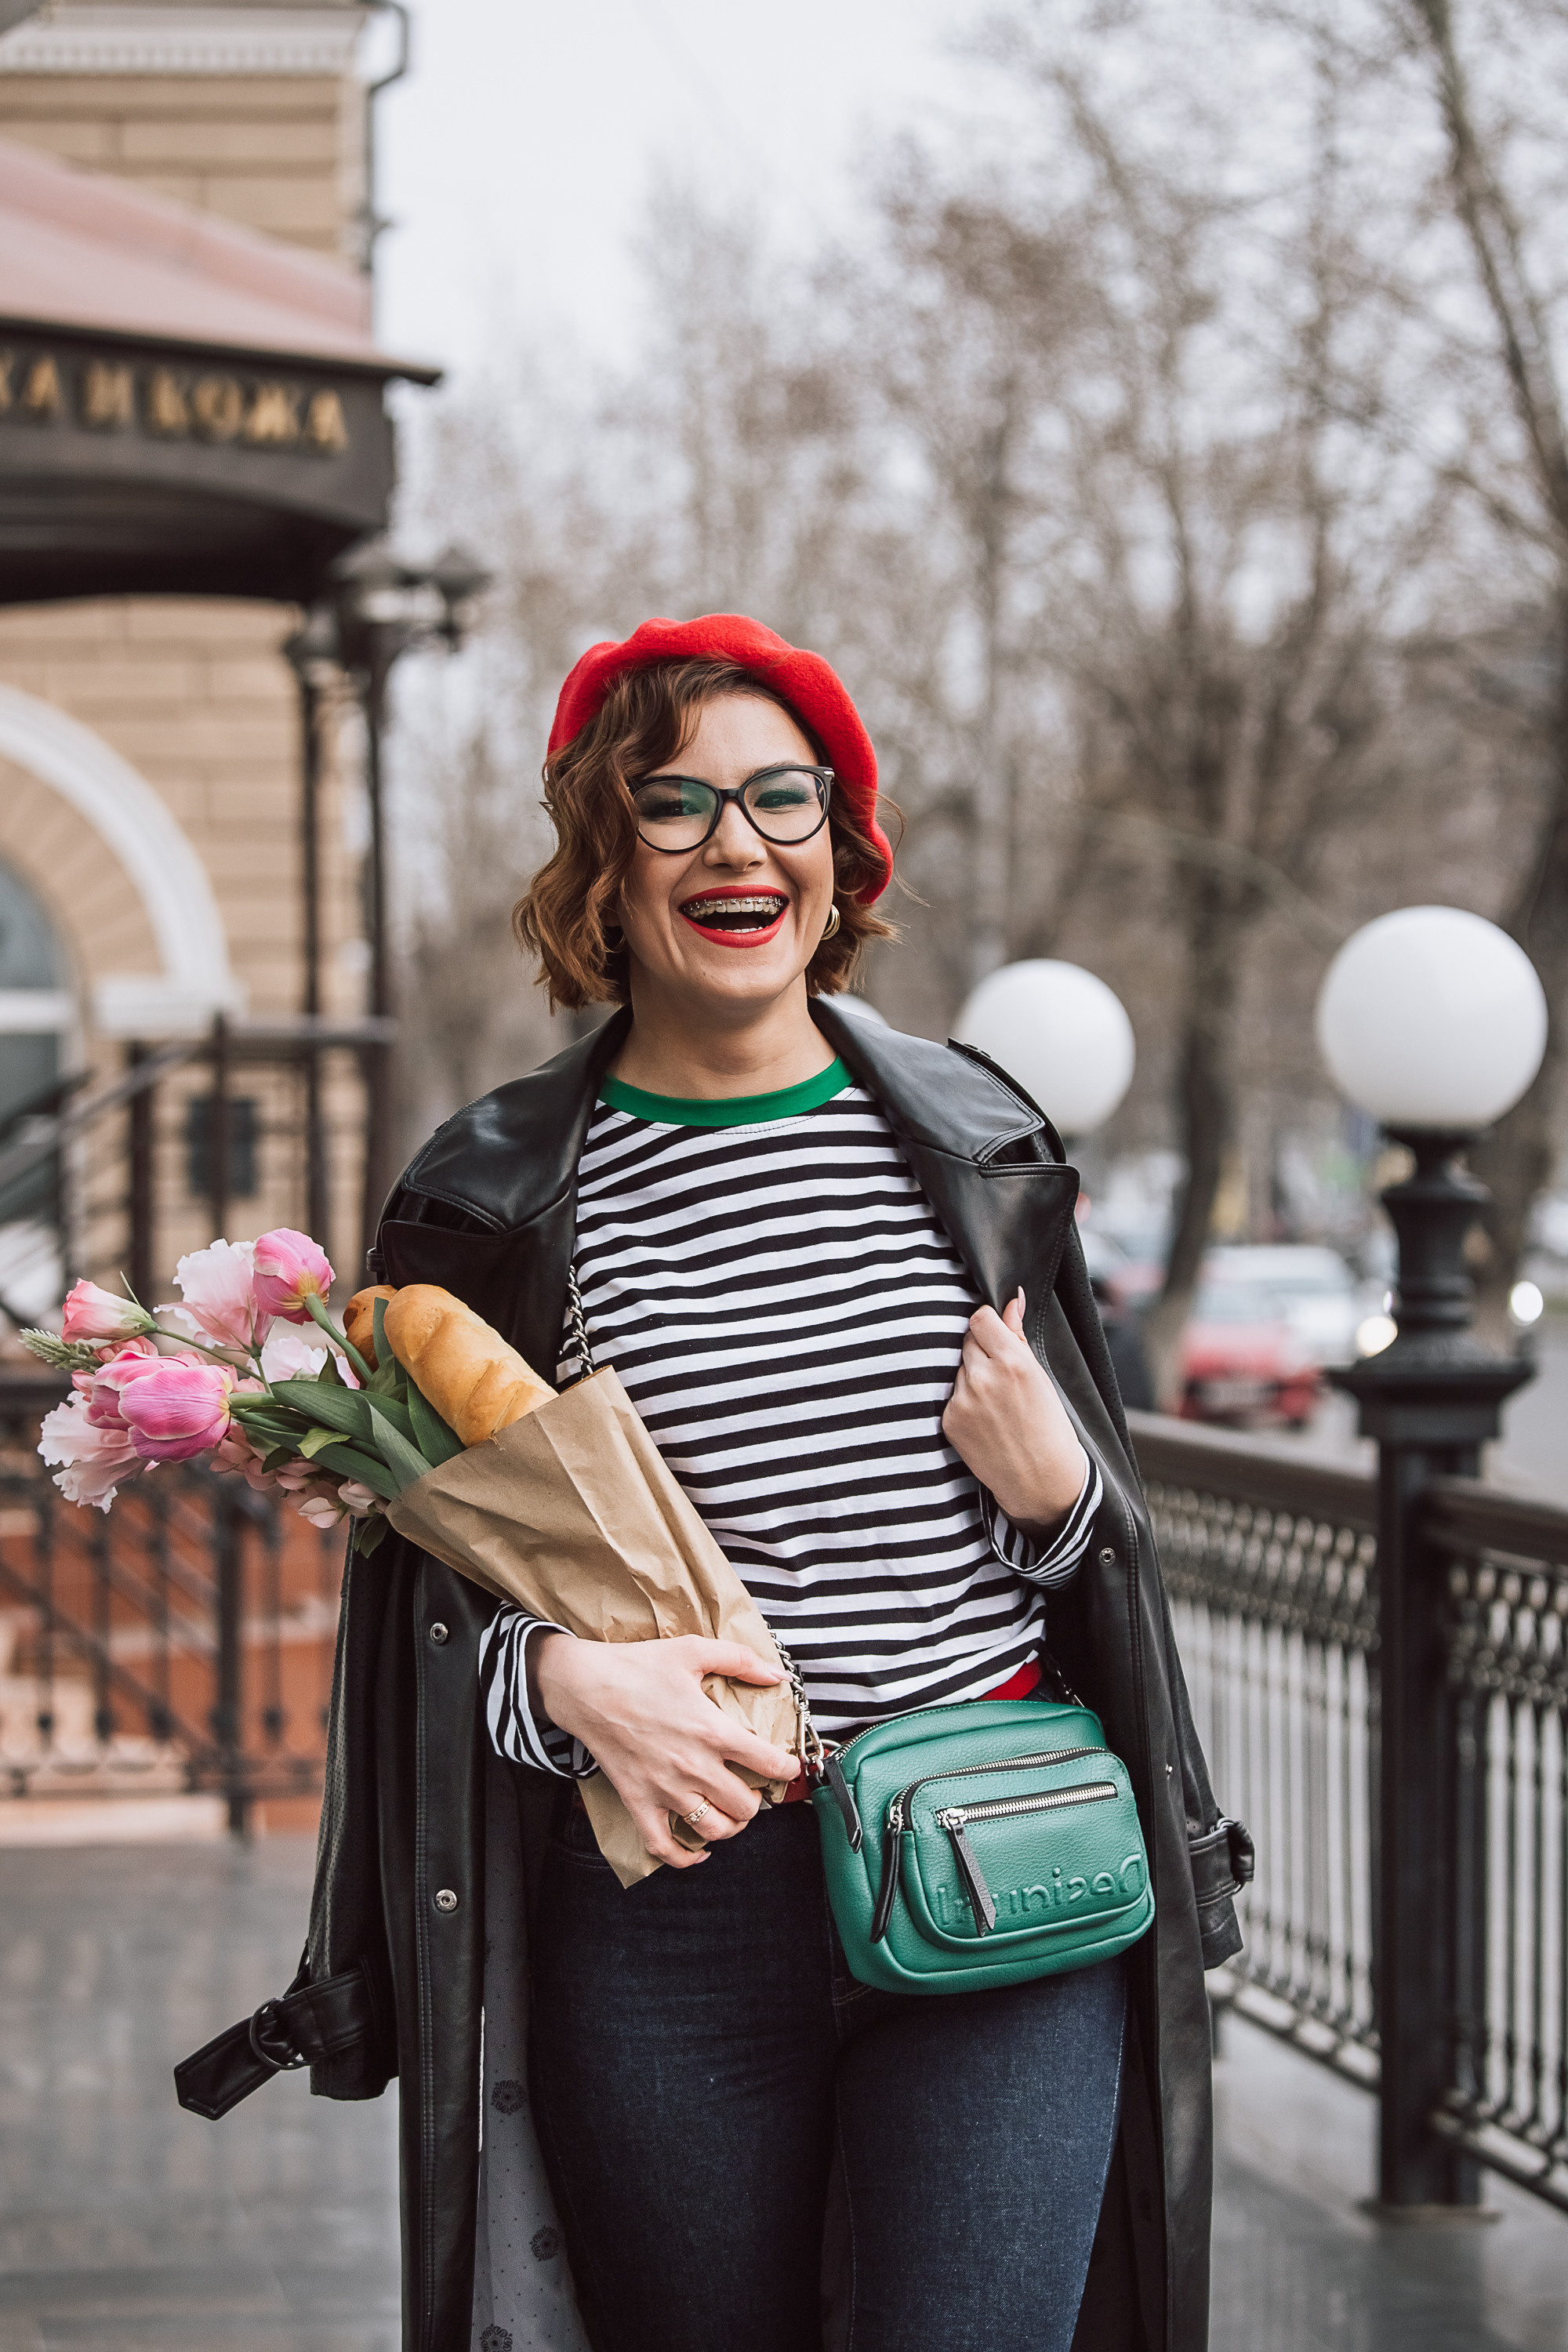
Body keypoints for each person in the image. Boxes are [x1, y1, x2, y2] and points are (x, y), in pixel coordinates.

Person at [299, 615, 1248, 2352]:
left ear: (838, 848)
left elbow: (1102, 1562)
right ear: (602, 863)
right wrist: (559, 1687)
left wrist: (1060, 1499)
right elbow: (418, 1606)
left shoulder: (979, 1148)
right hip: (673, 1913)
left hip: (993, 1852)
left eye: (780, 798)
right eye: (673, 805)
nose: (735, 845)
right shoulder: (494, 1199)